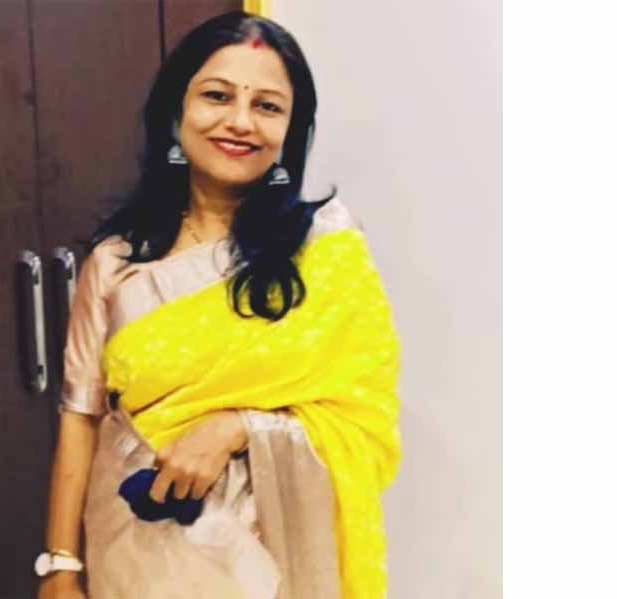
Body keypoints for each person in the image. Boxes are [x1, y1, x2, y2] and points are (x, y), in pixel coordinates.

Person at [37, 11, 401, 599]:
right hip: (136, 550)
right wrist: (60, 565)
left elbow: (366, 421)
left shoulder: (326, 251)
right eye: (217, 95)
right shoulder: (116, 263)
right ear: (176, 110)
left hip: (275, 551)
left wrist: (239, 428)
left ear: (291, 129)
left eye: (267, 106)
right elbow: (81, 416)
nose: (240, 121)